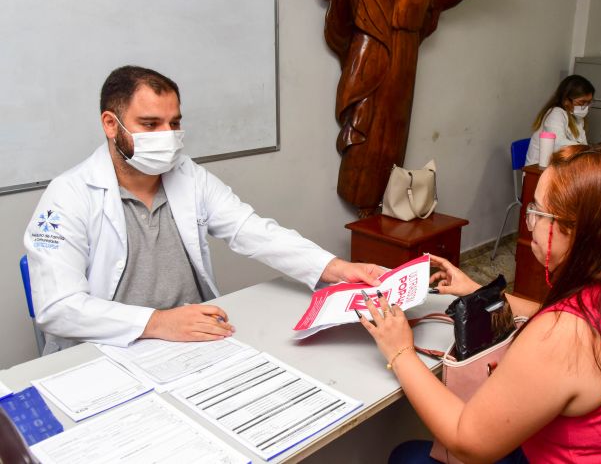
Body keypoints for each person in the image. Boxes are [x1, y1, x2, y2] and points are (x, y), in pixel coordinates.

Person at [24, 66, 382, 355]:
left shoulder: (187, 175)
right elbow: (58, 307)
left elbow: (249, 229)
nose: (167, 136)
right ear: (109, 124)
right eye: (150, 125)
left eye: (174, 123)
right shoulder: (68, 195)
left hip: (192, 341)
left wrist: (336, 268)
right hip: (108, 349)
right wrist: (159, 323)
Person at [358, 145, 601, 463]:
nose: (529, 222)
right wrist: (477, 290)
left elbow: (467, 442)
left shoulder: (564, 336)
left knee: (406, 457)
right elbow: (551, 319)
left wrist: (400, 351)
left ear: (578, 231)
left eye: (538, 212)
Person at [316, 0, 522, 216]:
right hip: (374, 48)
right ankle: (362, 197)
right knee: (368, 123)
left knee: (395, 131)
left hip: (406, 53)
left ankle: (382, 201)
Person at [525, 75, 595, 166]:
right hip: (538, 171)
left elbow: (583, 145)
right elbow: (559, 145)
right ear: (566, 100)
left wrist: (592, 151)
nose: (586, 107)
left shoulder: (577, 118)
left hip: (561, 167)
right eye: (582, 102)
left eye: (589, 102)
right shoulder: (555, 114)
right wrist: (590, 149)